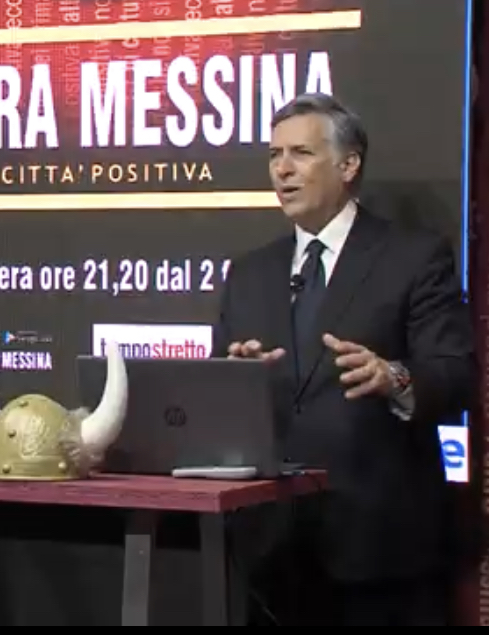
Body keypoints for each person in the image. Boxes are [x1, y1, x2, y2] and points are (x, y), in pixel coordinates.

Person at [212, 93, 474, 625]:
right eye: (274, 155)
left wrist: (394, 377)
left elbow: (456, 374)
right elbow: (212, 404)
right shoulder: (249, 273)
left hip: (381, 553)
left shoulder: (413, 257)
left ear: (348, 165)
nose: (282, 169)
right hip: (271, 557)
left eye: (301, 153)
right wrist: (236, 379)